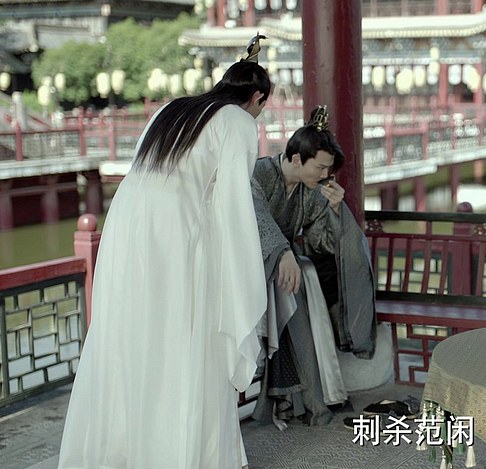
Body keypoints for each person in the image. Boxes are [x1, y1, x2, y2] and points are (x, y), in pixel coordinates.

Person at [58, 37, 272, 469]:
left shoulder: (172, 109)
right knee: (186, 335)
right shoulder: (237, 120)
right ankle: (181, 453)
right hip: (178, 229)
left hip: (127, 223)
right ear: (257, 98)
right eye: (261, 108)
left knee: (133, 332)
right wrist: (243, 280)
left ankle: (126, 450)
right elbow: (234, 204)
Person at [250, 105, 376, 427]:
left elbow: (324, 241)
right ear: (296, 159)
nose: (324, 175)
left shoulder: (311, 191)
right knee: (297, 281)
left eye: (327, 169)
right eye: (319, 167)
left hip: (285, 268)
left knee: (305, 280)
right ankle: (306, 399)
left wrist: (335, 210)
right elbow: (254, 219)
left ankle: (310, 398)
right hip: (251, 264)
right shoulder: (259, 174)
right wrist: (281, 253)